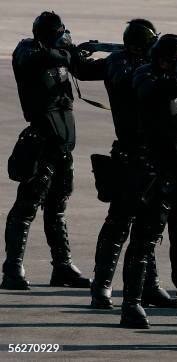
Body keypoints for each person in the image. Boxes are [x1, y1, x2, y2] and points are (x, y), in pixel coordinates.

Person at [74, 19, 177, 310]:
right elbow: (129, 82)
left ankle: (147, 286)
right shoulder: (130, 69)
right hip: (134, 154)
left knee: (147, 227)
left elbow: (81, 69)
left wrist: (78, 54)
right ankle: (102, 287)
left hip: (148, 155)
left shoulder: (121, 63)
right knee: (120, 223)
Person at [120, 34, 177, 329]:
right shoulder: (146, 77)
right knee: (143, 242)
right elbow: (156, 89)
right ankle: (131, 304)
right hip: (157, 179)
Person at [2, 11, 90, 290]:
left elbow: (87, 71)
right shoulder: (28, 51)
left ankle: (62, 266)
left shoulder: (61, 56)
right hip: (40, 144)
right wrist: (65, 50)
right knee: (26, 207)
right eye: (60, 33)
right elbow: (35, 58)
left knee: (57, 207)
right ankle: (12, 268)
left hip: (62, 145)